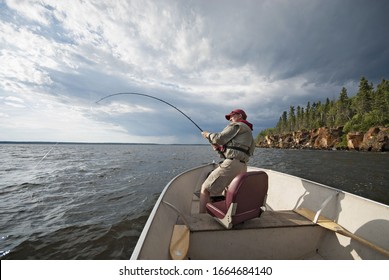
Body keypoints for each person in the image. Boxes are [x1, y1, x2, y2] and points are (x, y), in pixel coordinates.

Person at [199, 109, 255, 213]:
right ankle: (225, 212)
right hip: (242, 167)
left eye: (232, 116)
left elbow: (219, 138)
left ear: (239, 116)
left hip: (232, 165)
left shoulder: (237, 125)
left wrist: (207, 135)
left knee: (205, 189)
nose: (230, 119)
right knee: (229, 191)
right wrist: (219, 149)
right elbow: (239, 151)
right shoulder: (249, 133)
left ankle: (202, 220)